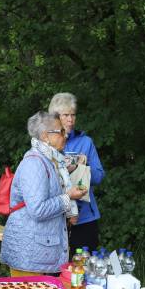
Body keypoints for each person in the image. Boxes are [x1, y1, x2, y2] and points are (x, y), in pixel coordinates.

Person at [0, 111, 88, 276]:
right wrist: (68, 197)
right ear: (45, 136)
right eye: (61, 131)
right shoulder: (34, 163)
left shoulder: (50, 161)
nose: (66, 135)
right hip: (30, 258)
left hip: (39, 254)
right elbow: (38, 209)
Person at [48, 93, 105, 256]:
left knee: (84, 271)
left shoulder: (86, 142)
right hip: (56, 218)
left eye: (73, 115)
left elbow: (99, 176)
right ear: (55, 117)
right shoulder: (46, 142)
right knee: (55, 272)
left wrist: (84, 167)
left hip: (84, 218)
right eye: (66, 115)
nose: (70, 120)